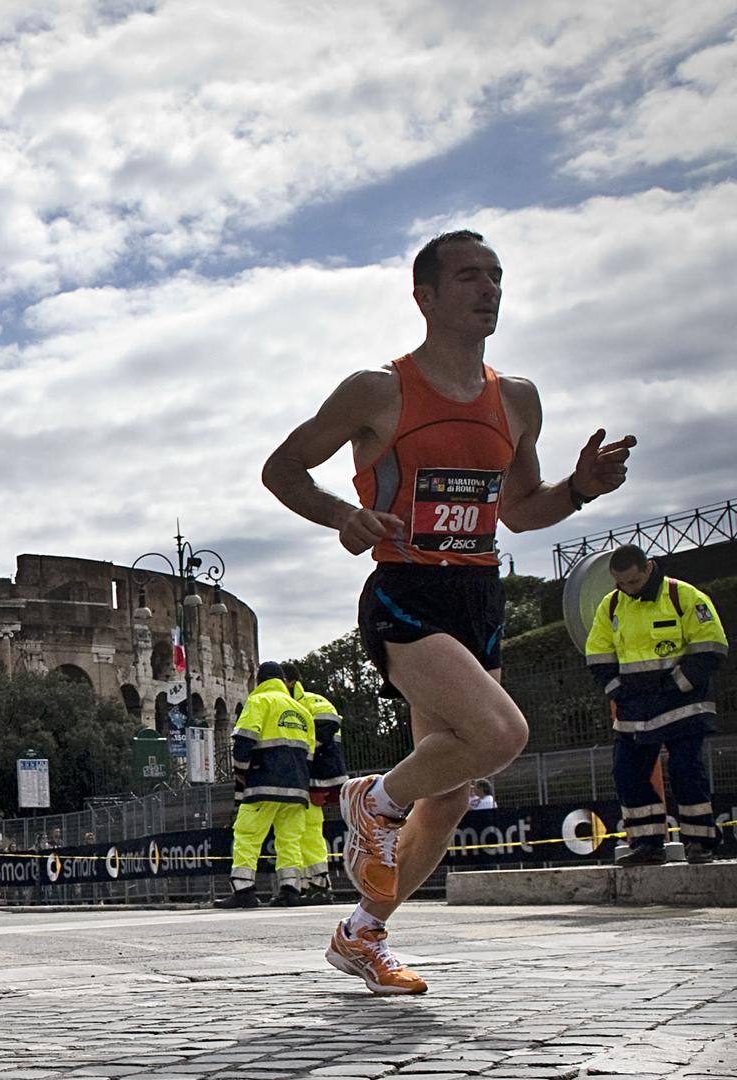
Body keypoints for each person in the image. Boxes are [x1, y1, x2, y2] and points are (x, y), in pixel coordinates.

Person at [263, 229, 635, 994]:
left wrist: (581, 489)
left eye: (496, 275)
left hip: (480, 594)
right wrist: (341, 515)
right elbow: (283, 467)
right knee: (501, 734)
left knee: (455, 790)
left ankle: (363, 933)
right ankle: (373, 798)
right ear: (426, 297)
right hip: (405, 587)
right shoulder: (379, 391)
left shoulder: (519, 399)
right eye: (469, 276)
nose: (489, 288)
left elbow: (523, 511)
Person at [587, 544, 726, 864]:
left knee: (686, 771)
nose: (627, 589)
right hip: (634, 707)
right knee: (627, 773)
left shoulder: (684, 596)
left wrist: (676, 685)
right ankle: (648, 843)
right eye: (620, 583)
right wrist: (617, 691)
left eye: (633, 582)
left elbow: (711, 648)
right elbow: (598, 656)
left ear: (649, 567)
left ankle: (700, 843)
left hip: (682, 703)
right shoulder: (610, 606)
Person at [214, 663, 313, 909]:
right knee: (289, 840)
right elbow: (309, 753)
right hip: (298, 787)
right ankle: (291, 890)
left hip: (263, 784)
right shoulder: (301, 711)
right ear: (281, 680)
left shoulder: (259, 702)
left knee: (248, 835)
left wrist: (242, 773)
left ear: (259, 681)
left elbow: (244, 741)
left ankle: (244, 889)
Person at [280, 663, 347, 904]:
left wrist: (302, 752)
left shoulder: (311, 700)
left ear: (288, 681)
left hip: (318, 775)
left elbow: (329, 723)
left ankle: (319, 883)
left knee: (309, 831)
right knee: (301, 832)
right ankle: (311, 883)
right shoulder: (290, 705)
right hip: (304, 777)